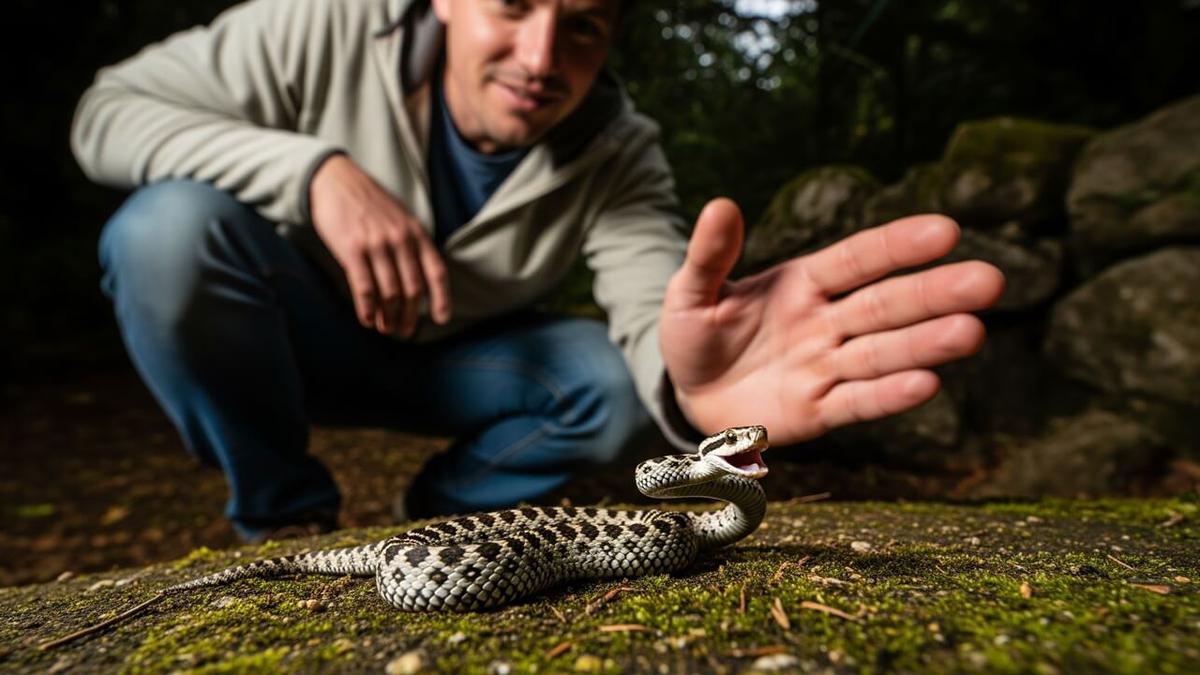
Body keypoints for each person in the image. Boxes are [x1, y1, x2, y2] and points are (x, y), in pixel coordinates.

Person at [71, 0, 1004, 542]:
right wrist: (310, 171)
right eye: (513, 3)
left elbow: (649, 308)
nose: (540, 58)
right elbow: (107, 112)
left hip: (456, 368)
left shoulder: (621, 151)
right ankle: (282, 521)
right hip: (290, 331)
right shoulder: (320, 25)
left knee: (610, 379)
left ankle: (430, 520)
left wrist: (693, 393)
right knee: (166, 230)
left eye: (583, 27)